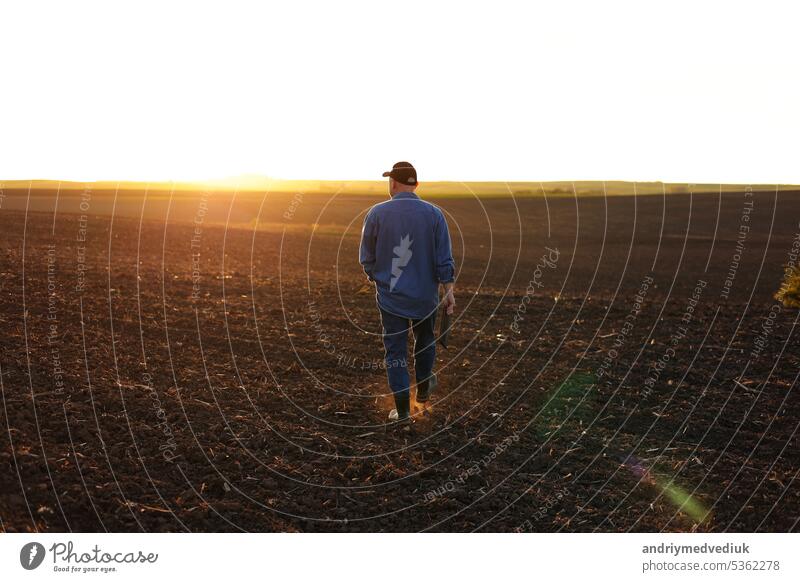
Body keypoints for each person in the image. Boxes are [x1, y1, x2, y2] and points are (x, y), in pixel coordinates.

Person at [359, 161, 456, 424]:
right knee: (425, 343)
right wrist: (448, 291)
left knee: (396, 351)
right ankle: (423, 394)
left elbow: (366, 258)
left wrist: (377, 279)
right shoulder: (435, 214)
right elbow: (443, 259)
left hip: (391, 299)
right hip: (426, 298)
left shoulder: (376, 214)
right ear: (416, 185)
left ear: (393, 183)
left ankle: (402, 411)